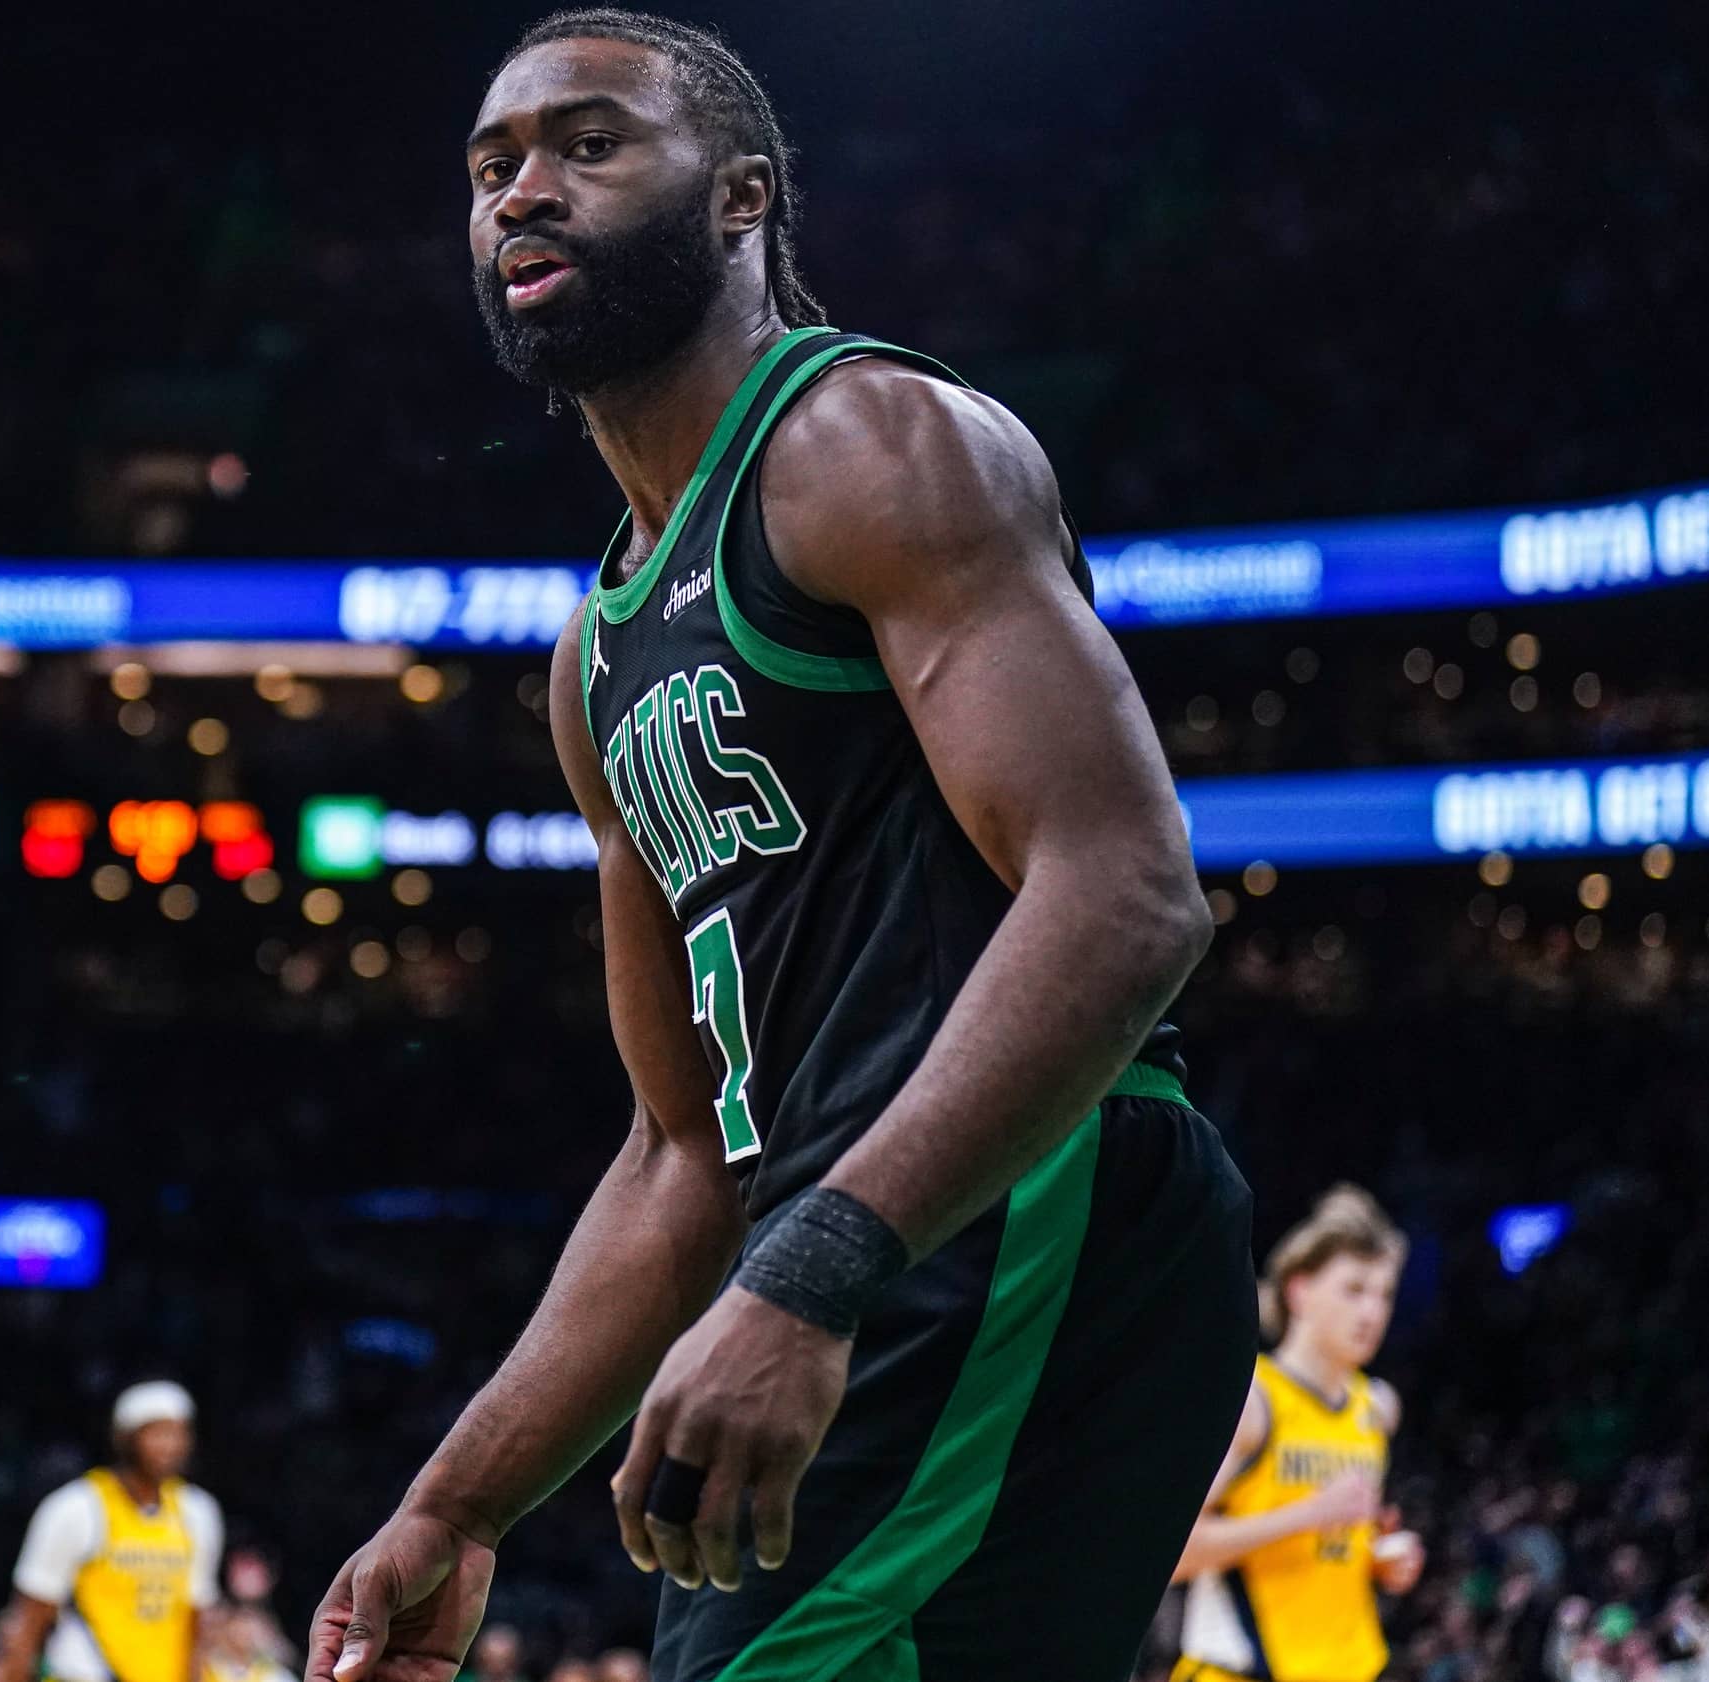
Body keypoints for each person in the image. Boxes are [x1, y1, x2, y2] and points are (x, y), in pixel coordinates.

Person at [307, 11, 1254, 1681]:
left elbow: (1123, 893)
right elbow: (679, 1151)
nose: (521, 191)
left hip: (1014, 1194)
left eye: (586, 144)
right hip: (856, 1234)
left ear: (741, 196)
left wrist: (814, 1266)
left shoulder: (863, 444)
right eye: (489, 167)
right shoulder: (592, 657)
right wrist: (453, 1505)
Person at [1172, 1186, 1426, 1682]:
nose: (1373, 1312)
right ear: (1300, 1291)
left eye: (1384, 1293)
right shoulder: (1252, 1403)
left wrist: (1379, 1558)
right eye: (1354, 1290)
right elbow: (1170, 1554)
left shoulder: (1376, 1407)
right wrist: (1310, 1514)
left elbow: (1335, 1540)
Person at [0, 1382, 225, 1682]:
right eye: (157, 1432)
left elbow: (197, 1620)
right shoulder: (76, 1508)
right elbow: (29, 1620)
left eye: (178, 1433)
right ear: (125, 1438)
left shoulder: (198, 1513)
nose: (170, 1445)